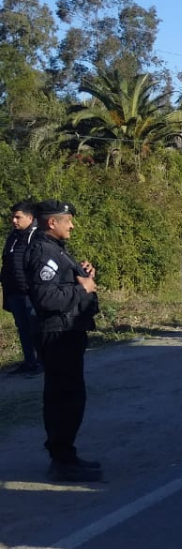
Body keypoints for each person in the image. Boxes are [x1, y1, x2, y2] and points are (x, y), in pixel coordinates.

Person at [24, 200, 102, 482]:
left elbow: (60, 285)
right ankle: (62, 460)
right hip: (57, 333)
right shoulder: (44, 251)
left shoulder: (55, 249)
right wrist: (82, 291)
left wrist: (83, 276)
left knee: (69, 397)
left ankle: (66, 455)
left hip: (66, 331)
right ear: (51, 223)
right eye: (67, 220)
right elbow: (46, 298)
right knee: (64, 399)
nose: (72, 225)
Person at [3, 201, 41, 376]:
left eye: (18, 217)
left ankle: (42, 362)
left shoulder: (37, 236)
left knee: (36, 327)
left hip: (30, 293)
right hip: (13, 291)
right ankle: (29, 362)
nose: (14, 220)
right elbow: (9, 262)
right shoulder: (13, 236)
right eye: (13, 217)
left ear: (30, 218)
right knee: (23, 328)